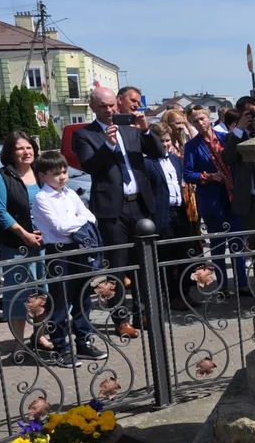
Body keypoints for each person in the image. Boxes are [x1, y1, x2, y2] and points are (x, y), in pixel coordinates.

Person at [73, 86, 161, 339]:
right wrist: (108, 146)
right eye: (103, 107)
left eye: (112, 106)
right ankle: (120, 319)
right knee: (117, 269)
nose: (110, 111)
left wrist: (145, 129)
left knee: (145, 264)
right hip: (112, 210)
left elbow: (157, 152)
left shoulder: (130, 128)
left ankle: (144, 314)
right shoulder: (84, 134)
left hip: (140, 204)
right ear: (92, 107)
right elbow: (89, 165)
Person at [31, 151, 108, 369]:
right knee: (61, 302)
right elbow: (60, 227)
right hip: (59, 252)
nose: (62, 177)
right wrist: (79, 222)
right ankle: (60, 348)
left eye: (64, 172)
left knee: (83, 298)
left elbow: (90, 217)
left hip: (79, 249)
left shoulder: (70, 194)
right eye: (56, 174)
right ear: (43, 175)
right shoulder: (42, 198)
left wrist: (78, 220)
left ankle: (84, 342)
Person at [0, 132, 54, 352]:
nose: (26, 152)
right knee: (19, 294)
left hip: (42, 243)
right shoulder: (1, 176)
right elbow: (1, 212)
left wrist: (48, 230)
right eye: (20, 148)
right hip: (16, 245)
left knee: (41, 292)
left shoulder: (40, 173)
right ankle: (18, 343)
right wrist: (24, 234)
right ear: (10, 152)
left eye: (29, 147)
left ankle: (40, 336)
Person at [185, 104, 248, 292]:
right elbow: (188, 174)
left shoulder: (224, 138)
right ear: (191, 123)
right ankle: (222, 285)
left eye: (202, 118)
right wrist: (208, 177)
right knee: (218, 245)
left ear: (209, 117)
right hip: (211, 200)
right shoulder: (192, 146)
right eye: (195, 120)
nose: (200, 122)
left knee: (238, 242)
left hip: (232, 197)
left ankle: (243, 284)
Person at [221, 96, 255, 294]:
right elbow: (227, 157)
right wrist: (240, 129)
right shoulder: (236, 136)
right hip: (252, 201)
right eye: (250, 113)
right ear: (240, 113)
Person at [146, 123, 195, 309]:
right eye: (161, 141)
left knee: (185, 253)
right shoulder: (148, 162)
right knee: (165, 257)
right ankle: (172, 295)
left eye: (167, 140)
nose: (165, 144)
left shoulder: (175, 159)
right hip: (162, 214)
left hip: (179, 212)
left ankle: (184, 292)